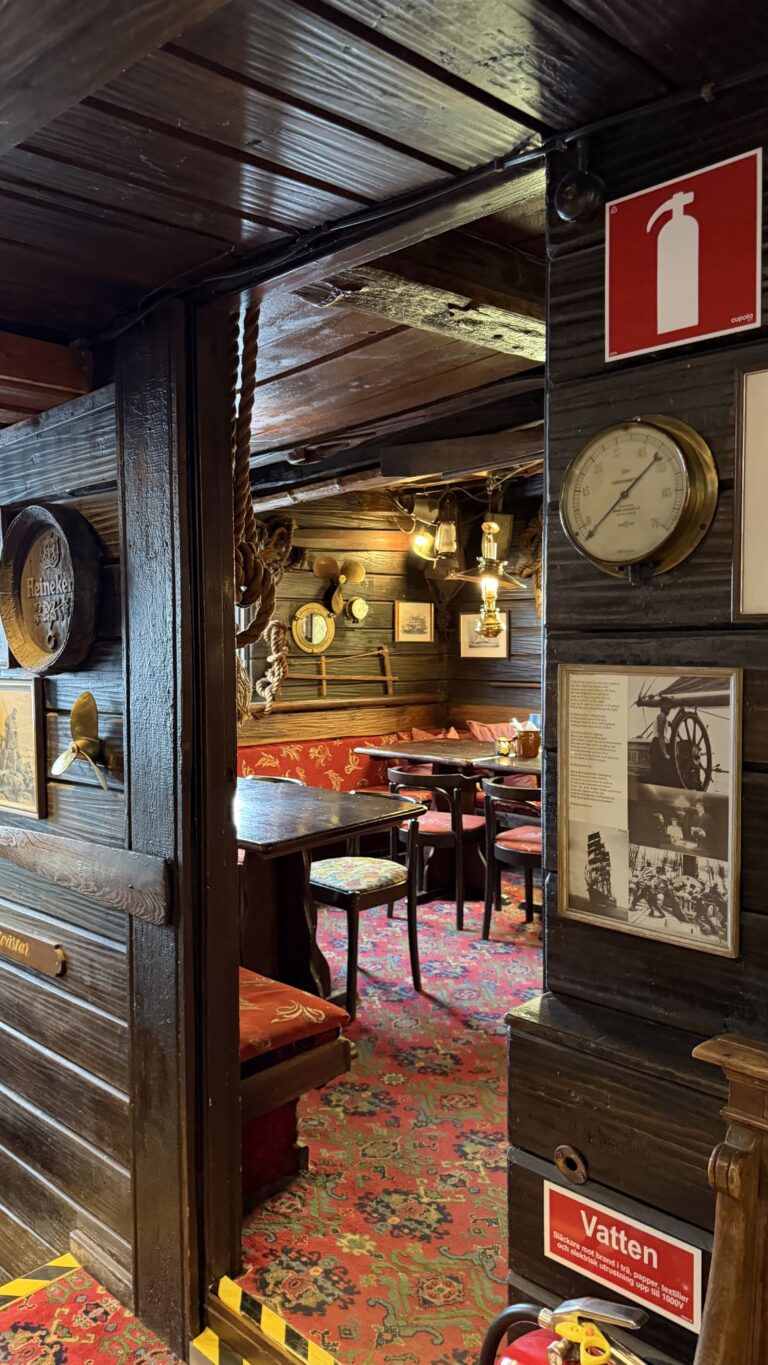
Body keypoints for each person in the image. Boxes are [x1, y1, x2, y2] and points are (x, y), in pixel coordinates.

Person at [649, 695, 676, 785]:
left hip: (657, 745)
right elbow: (661, 736)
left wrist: (670, 724)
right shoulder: (662, 716)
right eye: (666, 705)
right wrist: (665, 754)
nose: (669, 708)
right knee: (660, 773)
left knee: (657, 773)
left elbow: (665, 726)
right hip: (658, 745)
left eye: (670, 706)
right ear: (661, 705)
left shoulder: (662, 717)